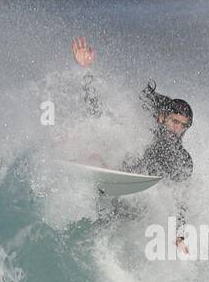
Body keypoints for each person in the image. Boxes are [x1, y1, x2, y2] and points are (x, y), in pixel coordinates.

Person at [72, 36, 193, 253]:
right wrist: (86, 72)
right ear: (162, 118)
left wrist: (180, 235)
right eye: (174, 121)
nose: (177, 129)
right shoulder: (140, 131)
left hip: (136, 209)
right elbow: (97, 116)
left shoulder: (182, 160)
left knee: (108, 232)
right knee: (96, 152)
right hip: (116, 184)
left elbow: (180, 199)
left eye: (183, 125)